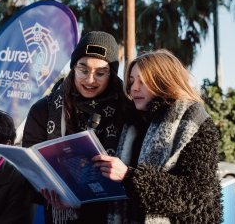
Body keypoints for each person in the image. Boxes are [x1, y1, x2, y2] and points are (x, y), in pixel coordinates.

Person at [92, 49, 223, 223]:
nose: (134, 88)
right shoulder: (131, 122)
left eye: (143, 81)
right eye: (131, 81)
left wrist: (129, 176)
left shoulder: (196, 123)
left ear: (165, 82)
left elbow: (196, 196)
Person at [22, 31, 135, 224]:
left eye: (100, 73)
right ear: (74, 67)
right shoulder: (43, 110)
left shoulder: (129, 110)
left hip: (114, 216)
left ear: (112, 74)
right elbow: (31, 171)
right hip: (60, 217)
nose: (90, 80)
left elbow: (142, 170)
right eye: (83, 70)